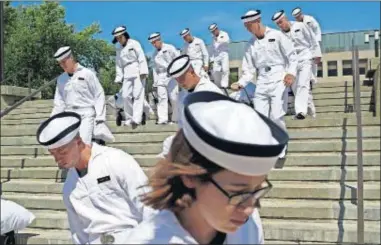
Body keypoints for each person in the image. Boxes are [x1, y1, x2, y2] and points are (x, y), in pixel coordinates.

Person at [123, 91, 289, 244]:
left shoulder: (248, 226)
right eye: (237, 193)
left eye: (256, 191)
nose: (248, 209)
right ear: (190, 176)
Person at [35, 111, 157, 244]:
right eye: (53, 154)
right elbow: (78, 232)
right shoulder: (69, 187)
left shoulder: (115, 160)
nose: (57, 159)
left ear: (79, 142)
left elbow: (149, 204)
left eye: (62, 152)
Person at [230, 10, 298, 158]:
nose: (248, 29)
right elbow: (248, 69)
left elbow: (292, 56)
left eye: (249, 25)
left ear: (258, 21)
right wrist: (241, 83)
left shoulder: (277, 35)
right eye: (246, 26)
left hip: (279, 76)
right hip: (262, 79)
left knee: (276, 115)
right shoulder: (250, 44)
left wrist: (290, 73)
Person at [157, 54, 223, 159]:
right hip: (191, 139)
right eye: (177, 80)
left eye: (182, 78)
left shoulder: (208, 90)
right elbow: (181, 125)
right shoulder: (183, 95)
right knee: (168, 144)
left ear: (191, 72)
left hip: (213, 142)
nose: (180, 83)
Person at [51, 46, 111, 145]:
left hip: (86, 114)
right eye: (60, 63)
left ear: (71, 58)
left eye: (64, 62)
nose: (62, 65)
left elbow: (99, 94)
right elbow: (59, 103)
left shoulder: (87, 74)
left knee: (83, 145)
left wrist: (100, 118)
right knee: (69, 146)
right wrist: (53, 120)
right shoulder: (61, 79)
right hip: (69, 115)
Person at [272, 10, 321, 119]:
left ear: (285, 18)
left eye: (281, 21)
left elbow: (312, 39)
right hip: (292, 62)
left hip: (305, 57)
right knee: (295, 88)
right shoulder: (279, 35)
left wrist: (317, 54)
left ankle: (300, 112)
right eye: (278, 24)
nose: (280, 25)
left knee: (302, 84)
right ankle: (311, 111)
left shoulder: (300, 25)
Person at [112, 25, 153, 127]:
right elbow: (118, 63)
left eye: (120, 37)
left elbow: (141, 57)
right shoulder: (118, 48)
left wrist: (143, 71)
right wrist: (118, 77)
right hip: (126, 73)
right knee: (125, 95)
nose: (119, 40)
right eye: (117, 38)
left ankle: (136, 119)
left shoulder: (134, 43)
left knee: (138, 95)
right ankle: (129, 118)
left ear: (125, 35)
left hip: (137, 70)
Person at [149, 32, 180, 125]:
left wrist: (178, 73)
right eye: (152, 43)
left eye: (155, 42)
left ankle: (176, 118)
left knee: (174, 97)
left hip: (172, 75)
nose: (154, 44)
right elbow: (155, 70)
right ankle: (163, 119)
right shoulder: (154, 55)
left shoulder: (170, 47)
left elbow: (178, 59)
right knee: (162, 98)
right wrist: (155, 82)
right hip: (161, 77)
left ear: (159, 40)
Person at [208, 23, 230, 89]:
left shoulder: (224, 34)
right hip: (216, 55)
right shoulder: (213, 38)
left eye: (214, 31)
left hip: (224, 54)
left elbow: (227, 41)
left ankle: (224, 85)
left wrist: (218, 40)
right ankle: (218, 85)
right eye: (212, 32)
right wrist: (211, 59)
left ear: (217, 29)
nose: (213, 33)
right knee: (215, 70)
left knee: (225, 69)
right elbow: (212, 49)